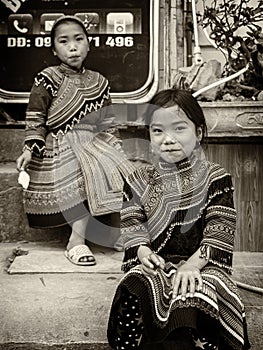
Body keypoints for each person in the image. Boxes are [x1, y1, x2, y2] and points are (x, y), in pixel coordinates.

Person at [107, 88, 250, 350]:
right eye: (158, 131)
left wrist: (192, 266)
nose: (167, 139)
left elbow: (219, 231)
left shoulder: (215, 178)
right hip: (156, 265)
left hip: (204, 265)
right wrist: (142, 250)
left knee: (196, 292)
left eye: (179, 129)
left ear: (198, 133)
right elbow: (132, 223)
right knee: (139, 284)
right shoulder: (138, 180)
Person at [16, 15, 134, 266]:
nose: (73, 47)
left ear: (88, 44)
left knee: (119, 166)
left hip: (94, 140)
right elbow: (36, 116)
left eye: (79, 40)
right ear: (54, 49)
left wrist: (116, 148)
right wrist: (29, 148)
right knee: (83, 168)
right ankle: (76, 241)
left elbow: (107, 121)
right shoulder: (46, 78)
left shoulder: (99, 82)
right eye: (64, 41)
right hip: (59, 143)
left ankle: (112, 233)